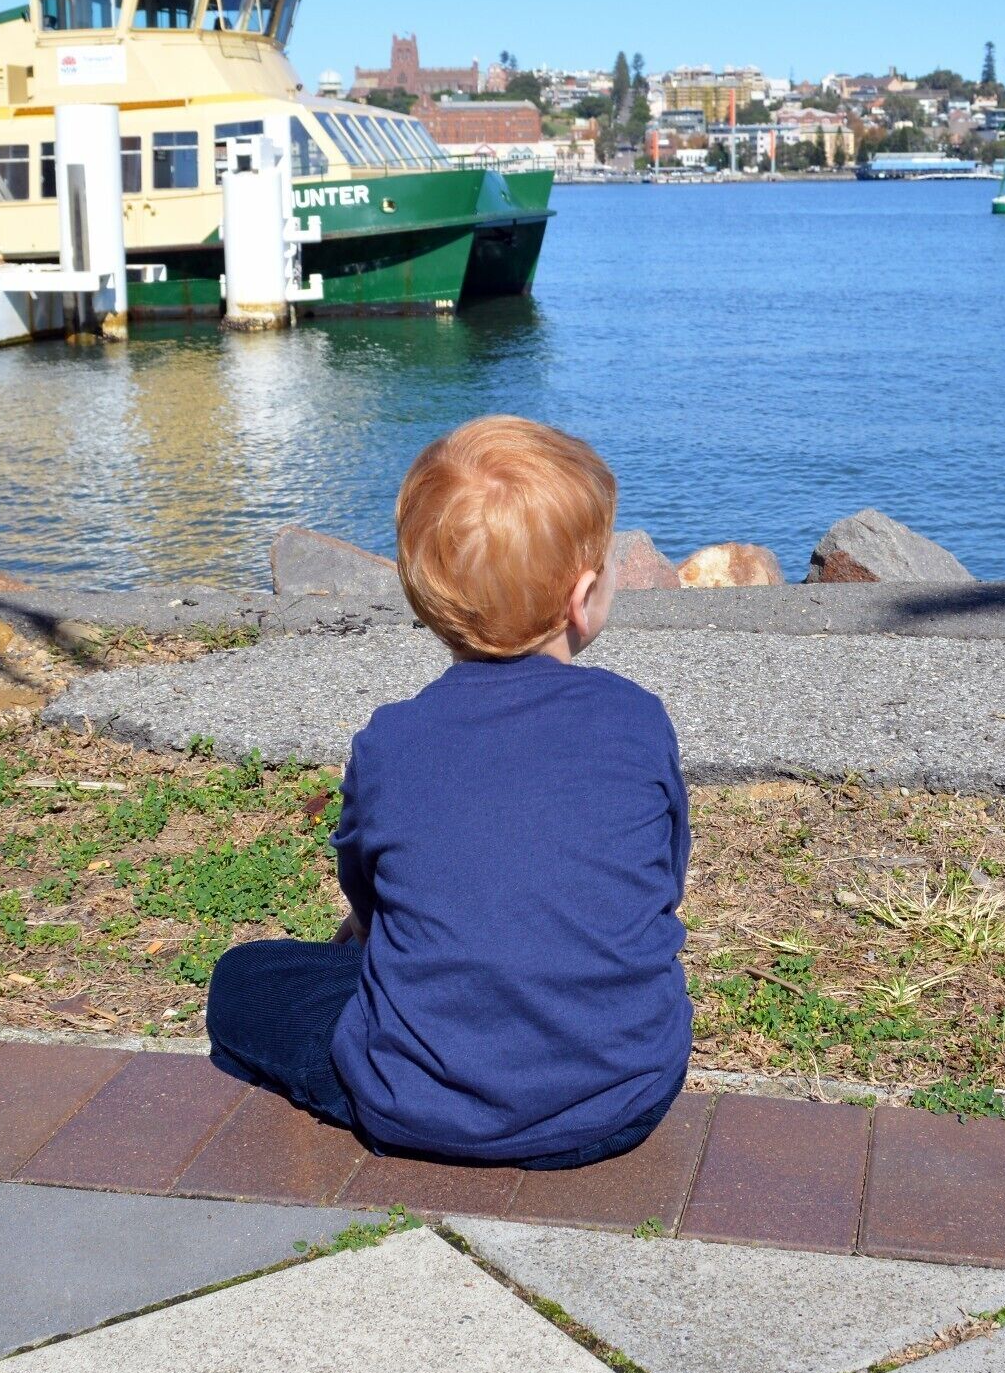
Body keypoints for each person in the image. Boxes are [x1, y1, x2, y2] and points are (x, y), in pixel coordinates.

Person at [206, 416, 691, 1170]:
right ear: (584, 595)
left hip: (422, 1105)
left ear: (427, 599)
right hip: (626, 1095)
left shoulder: (390, 742)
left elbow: (369, 910)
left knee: (244, 980)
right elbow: (662, 880)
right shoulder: (636, 719)